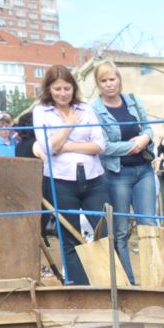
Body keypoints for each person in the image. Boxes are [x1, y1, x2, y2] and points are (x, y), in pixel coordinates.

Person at [32, 64, 109, 287]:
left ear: (73, 88)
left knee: (104, 229)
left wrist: (64, 146)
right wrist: (68, 126)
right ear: (49, 90)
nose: (63, 94)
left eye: (67, 88)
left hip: (93, 177)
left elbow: (99, 145)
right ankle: (79, 286)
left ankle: (104, 282)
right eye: (57, 89)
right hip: (61, 180)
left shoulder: (85, 109)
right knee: (69, 236)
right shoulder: (41, 112)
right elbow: (47, 147)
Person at [90, 60, 158, 286]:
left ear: (119, 79)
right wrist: (132, 146)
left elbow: (148, 127)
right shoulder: (95, 109)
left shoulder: (134, 102)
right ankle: (128, 281)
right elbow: (104, 146)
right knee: (120, 230)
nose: (109, 84)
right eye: (103, 80)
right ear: (98, 84)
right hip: (117, 174)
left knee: (148, 224)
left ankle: (153, 278)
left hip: (144, 170)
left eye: (112, 79)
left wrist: (144, 139)